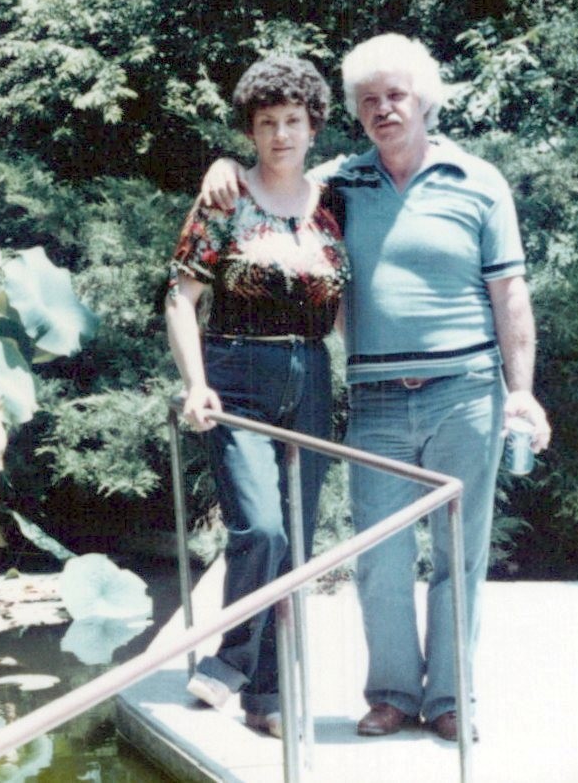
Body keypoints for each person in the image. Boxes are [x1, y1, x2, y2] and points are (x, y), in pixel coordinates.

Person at [199, 33, 552, 742]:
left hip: (465, 392)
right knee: (378, 557)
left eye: (395, 95)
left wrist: (522, 391)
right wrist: (226, 166)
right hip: (377, 398)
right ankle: (391, 693)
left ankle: (450, 698)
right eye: (367, 100)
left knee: (459, 553)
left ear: (423, 99)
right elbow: (277, 172)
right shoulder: (339, 185)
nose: (383, 109)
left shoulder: (479, 181)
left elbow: (510, 295)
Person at [165, 56, 350, 738]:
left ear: (313, 127)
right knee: (262, 529)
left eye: (292, 121)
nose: (280, 135)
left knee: (295, 543)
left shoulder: (334, 202)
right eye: (266, 122)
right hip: (237, 372)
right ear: (250, 129)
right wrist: (196, 383)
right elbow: (180, 297)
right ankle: (229, 660)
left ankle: (266, 695)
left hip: (311, 375)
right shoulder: (225, 195)